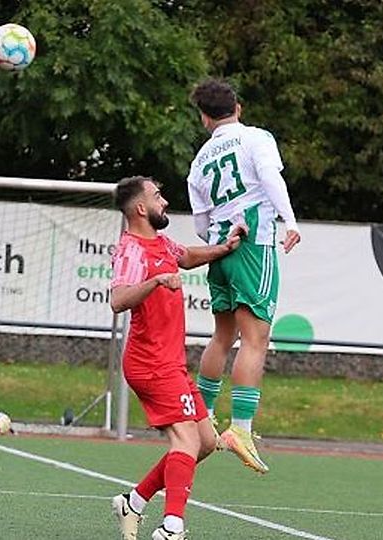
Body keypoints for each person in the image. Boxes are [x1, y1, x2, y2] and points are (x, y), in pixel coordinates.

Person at [108, 176, 247, 540]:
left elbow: (185, 257)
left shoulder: (161, 244)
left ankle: (133, 502)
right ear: (141, 208)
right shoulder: (131, 249)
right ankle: (172, 527)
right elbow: (118, 300)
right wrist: (155, 282)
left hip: (171, 363)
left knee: (203, 442)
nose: (165, 201)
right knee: (185, 441)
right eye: (158, 196)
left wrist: (224, 248)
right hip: (150, 363)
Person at [185, 78, 301, 474]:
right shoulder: (256, 139)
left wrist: (222, 236)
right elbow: (270, 178)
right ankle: (241, 429)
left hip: (220, 249)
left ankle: (201, 417)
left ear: (204, 117)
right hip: (253, 243)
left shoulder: (199, 161)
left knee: (222, 335)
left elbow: (201, 225)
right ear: (238, 106)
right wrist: (290, 220)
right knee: (256, 339)